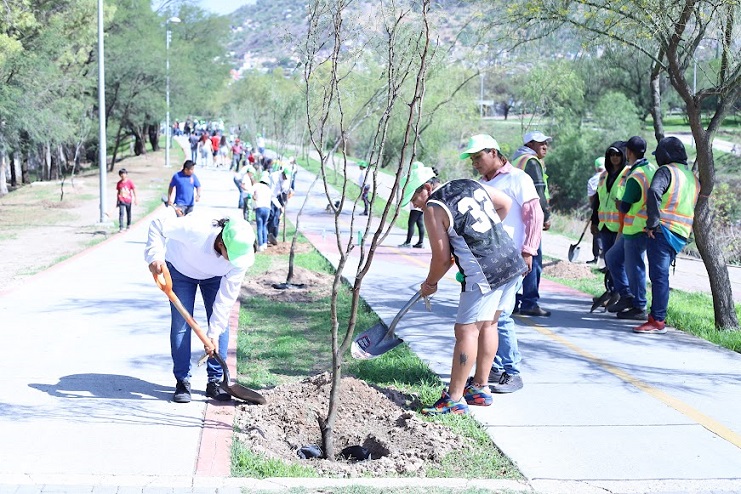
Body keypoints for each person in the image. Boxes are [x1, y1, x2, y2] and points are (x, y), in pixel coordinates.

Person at [399, 164, 527, 415]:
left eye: (414, 198)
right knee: (489, 324)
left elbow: (442, 259)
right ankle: (480, 388)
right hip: (511, 261)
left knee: (465, 331)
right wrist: (483, 235)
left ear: (426, 187)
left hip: (484, 271)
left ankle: (454, 399)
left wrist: (430, 284)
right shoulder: (469, 183)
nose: (414, 205)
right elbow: (504, 204)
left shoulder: (434, 208)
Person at [462, 134, 543, 394]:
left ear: (493, 152)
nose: (475, 163)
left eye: (478, 157)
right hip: (487, 262)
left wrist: (529, 251)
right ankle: (492, 369)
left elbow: (535, 216)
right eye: (472, 158)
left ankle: (512, 371)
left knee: (501, 316)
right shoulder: (477, 186)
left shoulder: (519, 178)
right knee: (487, 318)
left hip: (512, 259)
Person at [144, 213, 255, 403]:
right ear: (221, 244)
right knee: (181, 325)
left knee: (221, 326)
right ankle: (182, 381)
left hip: (215, 278)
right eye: (232, 256)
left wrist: (213, 334)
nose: (234, 261)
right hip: (180, 270)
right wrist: (155, 256)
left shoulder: (240, 259)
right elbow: (158, 223)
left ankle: (215, 381)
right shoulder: (195, 230)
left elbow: (226, 299)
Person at [634, 137, 699, 334]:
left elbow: (654, 191)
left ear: (666, 154)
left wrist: (652, 223)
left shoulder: (666, 171)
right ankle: (657, 318)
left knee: (659, 277)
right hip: (681, 234)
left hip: (663, 230)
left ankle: (657, 320)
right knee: (661, 276)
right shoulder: (692, 177)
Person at [614, 136, 657, 321]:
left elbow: (625, 206)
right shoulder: (650, 169)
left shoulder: (636, 176)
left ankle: (639, 306)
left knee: (636, 267)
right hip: (642, 227)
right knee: (612, 258)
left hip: (635, 229)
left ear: (629, 152)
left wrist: (619, 203)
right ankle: (627, 296)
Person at [510, 130, 551, 316]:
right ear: (530, 144)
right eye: (540, 142)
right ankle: (530, 302)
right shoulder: (531, 161)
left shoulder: (517, 159)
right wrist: (546, 215)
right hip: (531, 217)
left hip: (517, 215)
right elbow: (539, 191)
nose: (545, 146)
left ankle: (516, 300)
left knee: (520, 259)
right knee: (533, 258)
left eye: (546, 143)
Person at [597, 142, 634, 314]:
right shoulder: (604, 175)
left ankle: (623, 294)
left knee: (619, 262)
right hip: (605, 225)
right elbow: (599, 200)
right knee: (610, 262)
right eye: (611, 155)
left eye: (618, 154)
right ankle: (614, 292)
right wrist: (593, 222)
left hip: (621, 226)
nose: (615, 158)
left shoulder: (628, 174)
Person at [587, 157, 606, 264]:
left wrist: (594, 211)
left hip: (598, 210)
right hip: (611, 211)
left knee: (596, 232)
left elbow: (591, 199)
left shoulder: (592, 180)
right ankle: (602, 257)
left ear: (596, 167)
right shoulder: (610, 177)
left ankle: (597, 257)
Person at [252, 172, 277, 252]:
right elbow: (274, 199)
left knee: (259, 227)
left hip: (259, 208)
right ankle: (265, 244)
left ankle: (260, 245)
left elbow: (250, 193)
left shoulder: (256, 185)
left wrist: (253, 199)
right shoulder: (268, 189)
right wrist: (280, 207)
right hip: (267, 209)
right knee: (264, 226)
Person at [266, 166, 291, 245]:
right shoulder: (274, 178)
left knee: (277, 218)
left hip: (279, 196)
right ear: (282, 173)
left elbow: (286, 191)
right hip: (271, 197)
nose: (285, 179)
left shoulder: (287, 178)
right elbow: (272, 195)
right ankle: (269, 234)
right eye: (284, 177)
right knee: (272, 216)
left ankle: (274, 236)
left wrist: (285, 202)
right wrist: (280, 207)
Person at [116, 168, 138, 232]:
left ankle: (128, 224)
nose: (122, 175)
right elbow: (118, 192)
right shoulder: (119, 183)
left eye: (124, 174)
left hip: (128, 200)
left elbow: (134, 190)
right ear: (120, 175)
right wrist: (117, 201)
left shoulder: (129, 182)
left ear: (126, 174)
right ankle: (121, 227)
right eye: (121, 174)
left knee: (128, 213)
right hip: (121, 200)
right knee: (121, 213)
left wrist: (135, 199)